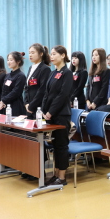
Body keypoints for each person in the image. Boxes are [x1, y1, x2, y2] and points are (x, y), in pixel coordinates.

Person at [43, 45, 74, 187]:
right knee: (55, 146)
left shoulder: (67, 73)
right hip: (51, 114)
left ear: (63, 55)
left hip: (61, 114)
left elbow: (63, 95)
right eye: (51, 54)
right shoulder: (52, 73)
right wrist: (44, 111)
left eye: (55, 54)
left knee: (61, 145)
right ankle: (55, 174)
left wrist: (51, 111)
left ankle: (62, 177)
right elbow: (47, 93)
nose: (52, 56)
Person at [24, 43, 51, 119]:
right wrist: (26, 103)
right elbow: (26, 87)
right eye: (29, 53)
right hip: (29, 107)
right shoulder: (31, 67)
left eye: (33, 53)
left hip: (39, 107)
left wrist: (32, 106)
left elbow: (42, 90)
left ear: (41, 54)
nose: (30, 55)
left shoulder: (45, 69)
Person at [0, 51, 26, 117]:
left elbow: (16, 91)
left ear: (18, 61)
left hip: (16, 105)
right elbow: (4, 89)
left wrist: (4, 100)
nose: (8, 62)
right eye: (8, 60)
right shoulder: (7, 75)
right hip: (6, 104)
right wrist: (3, 100)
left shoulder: (21, 75)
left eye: (11, 60)